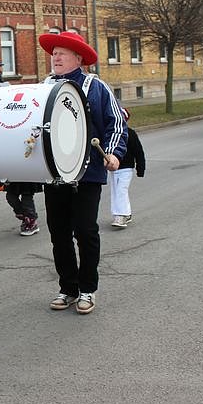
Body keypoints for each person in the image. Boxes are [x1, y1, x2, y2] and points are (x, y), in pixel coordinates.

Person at [37, 31, 127, 315]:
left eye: (63, 52)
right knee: (59, 233)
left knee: (85, 231)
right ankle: (68, 288)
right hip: (54, 173)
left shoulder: (95, 87)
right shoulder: (45, 87)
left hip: (86, 173)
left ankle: (87, 289)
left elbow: (117, 122)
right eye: (54, 53)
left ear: (79, 58)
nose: (56, 57)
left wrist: (113, 152)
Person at [110, 108, 145, 228]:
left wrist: (140, 168)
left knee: (121, 190)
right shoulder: (110, 134)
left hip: (126, 168)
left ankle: (122, 215)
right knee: (115, 191)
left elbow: (139, 152)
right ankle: (123, 213)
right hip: (114, 169)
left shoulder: (130, 134)